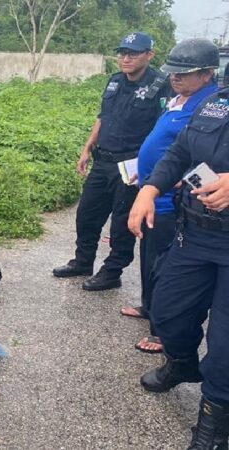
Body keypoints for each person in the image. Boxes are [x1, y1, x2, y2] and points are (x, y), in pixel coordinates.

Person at [127, 42, 228, 449]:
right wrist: (149, 189)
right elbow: (180, 151)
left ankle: (213, 426)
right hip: (197, 234)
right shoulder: (214, 106)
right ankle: (183, 365)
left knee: (224, 346)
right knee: (166, 311)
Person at [119, 39, 219, 354]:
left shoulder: (210, 107)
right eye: (172, 72)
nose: (174, 78)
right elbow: (171, 150)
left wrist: (179, 182)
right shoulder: (178, 100)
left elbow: (206, 159)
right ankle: (150, 307)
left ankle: (162, 332)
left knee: (165, 269)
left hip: (171, 206)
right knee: (150, 260)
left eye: (183, 73)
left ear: (206, 74)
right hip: (152, 196)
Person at [53, 32, 171, 291]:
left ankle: (112, 271)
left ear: (149, 55)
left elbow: (165, 129)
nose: (125, 58)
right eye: (122, 53)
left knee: (121, 223)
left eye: (133, 53)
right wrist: (87, 147)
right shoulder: (115, 81)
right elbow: (103, 117)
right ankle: (83, 261)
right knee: (87, 214)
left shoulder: (161, 86)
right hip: (103, 160)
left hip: (131, 166)